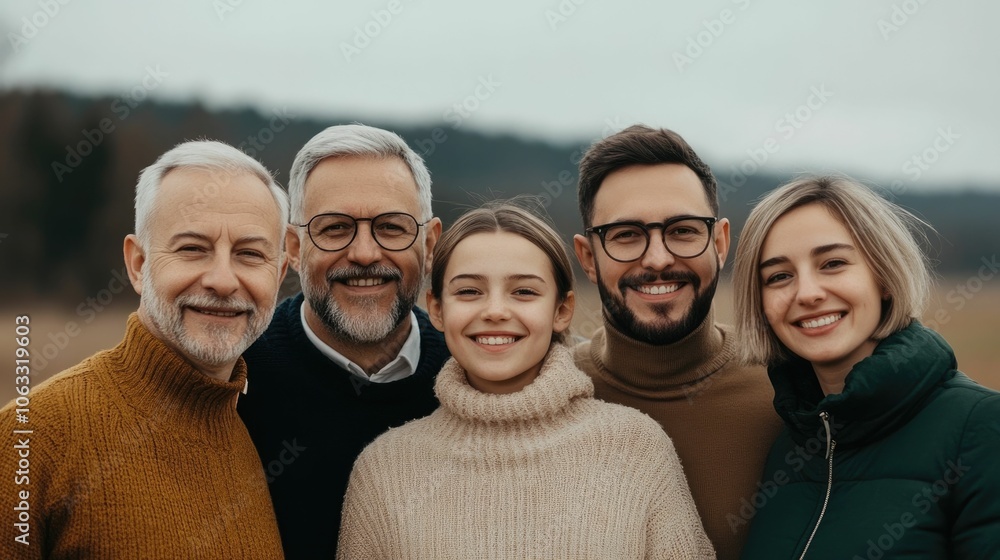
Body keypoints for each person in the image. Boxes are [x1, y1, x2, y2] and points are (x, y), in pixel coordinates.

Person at [337, 202, 716, 559]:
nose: (496, 311)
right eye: (469, 291)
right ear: (436, 309)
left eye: (524, 292)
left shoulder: (636, 449)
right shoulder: (384, 470)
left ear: (562, 310)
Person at [0, 140, 288, 559]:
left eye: (249, 254)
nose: (223, 280)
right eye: (193, 249)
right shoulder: (30, 439)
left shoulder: (257, 438)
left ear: (279, 275)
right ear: (138, 264)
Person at [732, 175, 1000, 558]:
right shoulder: (787, 445)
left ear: (883, 277)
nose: (807, 293)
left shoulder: (982, 428)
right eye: (779, 276)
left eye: (833, 263)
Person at [236, 124, 450, 558]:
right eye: (335, 228)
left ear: (429, 244)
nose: (365, 253)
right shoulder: (235, 378)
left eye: (392, 227)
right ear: (293, 248)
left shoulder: (472, 375)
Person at [571, 124, 782, 559]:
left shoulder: (791, 390)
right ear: (589, 258)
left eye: (683, 230)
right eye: (626, 234)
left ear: (720, 243)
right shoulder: (547, 394)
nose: (658, 259)